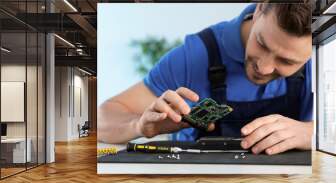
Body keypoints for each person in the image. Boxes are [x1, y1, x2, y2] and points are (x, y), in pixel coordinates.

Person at [98, 2, 313, 155]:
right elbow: (103, 119)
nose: (263, 68)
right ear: (258, 10)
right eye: (262, 43)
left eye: (286, 61)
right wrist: (139, 126)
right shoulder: (193, 56)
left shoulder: (325, 58)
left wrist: (312, 133)